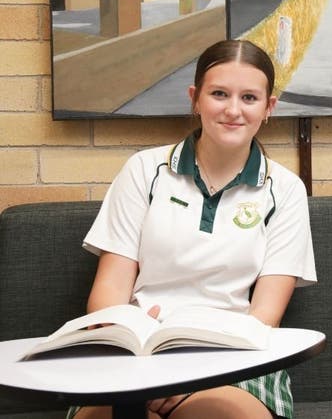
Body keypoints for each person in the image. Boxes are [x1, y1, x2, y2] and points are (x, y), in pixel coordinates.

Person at [70, 40, 317, 419]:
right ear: (195, 98)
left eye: (249, 98)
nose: (233, 110)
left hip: (235, 358)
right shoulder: (143, 170)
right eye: (219, 94)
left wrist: (194, 376)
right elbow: (108, 294)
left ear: (268, 108)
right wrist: (145, 368)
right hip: (137, 352)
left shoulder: (285, 190)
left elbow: (266, 314)